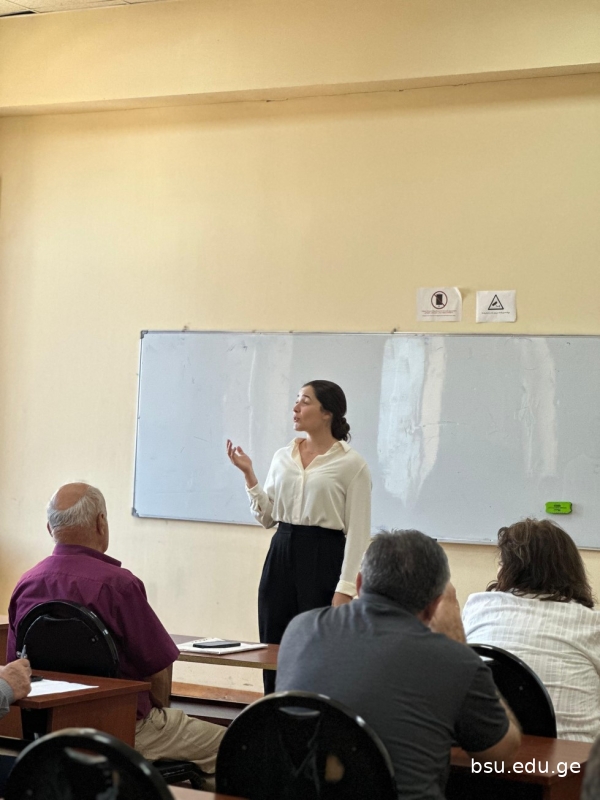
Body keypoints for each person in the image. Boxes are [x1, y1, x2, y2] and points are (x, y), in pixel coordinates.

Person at [276, 530, 521, 800]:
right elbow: (502, 754)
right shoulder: (455, 660)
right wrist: (460, 644)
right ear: (434, 606)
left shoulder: (300, 628)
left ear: (359, 584)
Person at [7, 483, 225, 785]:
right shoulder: (119, 585)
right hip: (124, 727)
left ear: (49, 529)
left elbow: (15, 668)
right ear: (101, 523)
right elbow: (157, 668)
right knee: (236, 746)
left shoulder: (26, 583)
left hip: (49, 732)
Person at [227, 379, 371, 693]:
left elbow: (359, 532)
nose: (296, 408)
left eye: (305, 401)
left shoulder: (352, 464)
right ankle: (273, 712)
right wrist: (249, 475)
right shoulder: (283, 456)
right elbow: (267, 518)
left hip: (324, 556)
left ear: (327, 413)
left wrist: (345, 588)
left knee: (317, 652)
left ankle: (316, 716)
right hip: (281, 551)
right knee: (273, 646)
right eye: (296, 400)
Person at [462, 517, 600, 742]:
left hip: (485, 754)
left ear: (508, 569)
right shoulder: (592, 624)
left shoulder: (478, 607)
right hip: (571, 758)